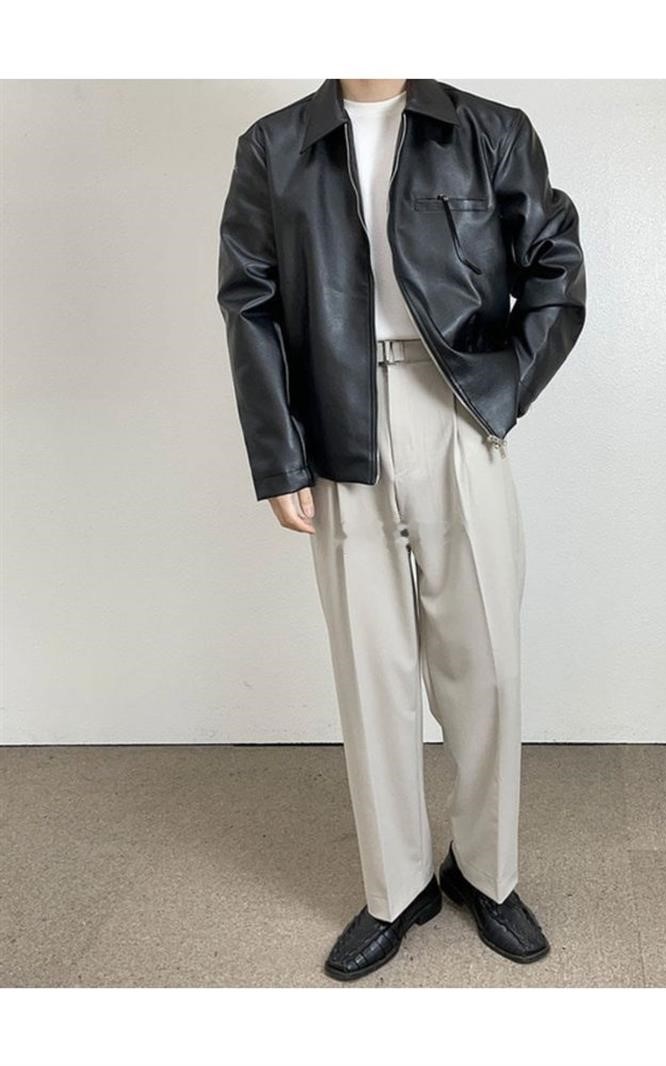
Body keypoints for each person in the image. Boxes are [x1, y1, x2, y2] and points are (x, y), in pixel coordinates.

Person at [217, 78, 586, 981]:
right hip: (336, 412)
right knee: (371, 668)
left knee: (486, 663)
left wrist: (502, 391)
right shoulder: (274, 144)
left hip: (455, 402)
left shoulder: (489, 130)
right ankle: (397, 887)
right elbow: (249, 301)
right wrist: (280, 456)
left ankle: (487, 874)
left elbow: (555, 260)